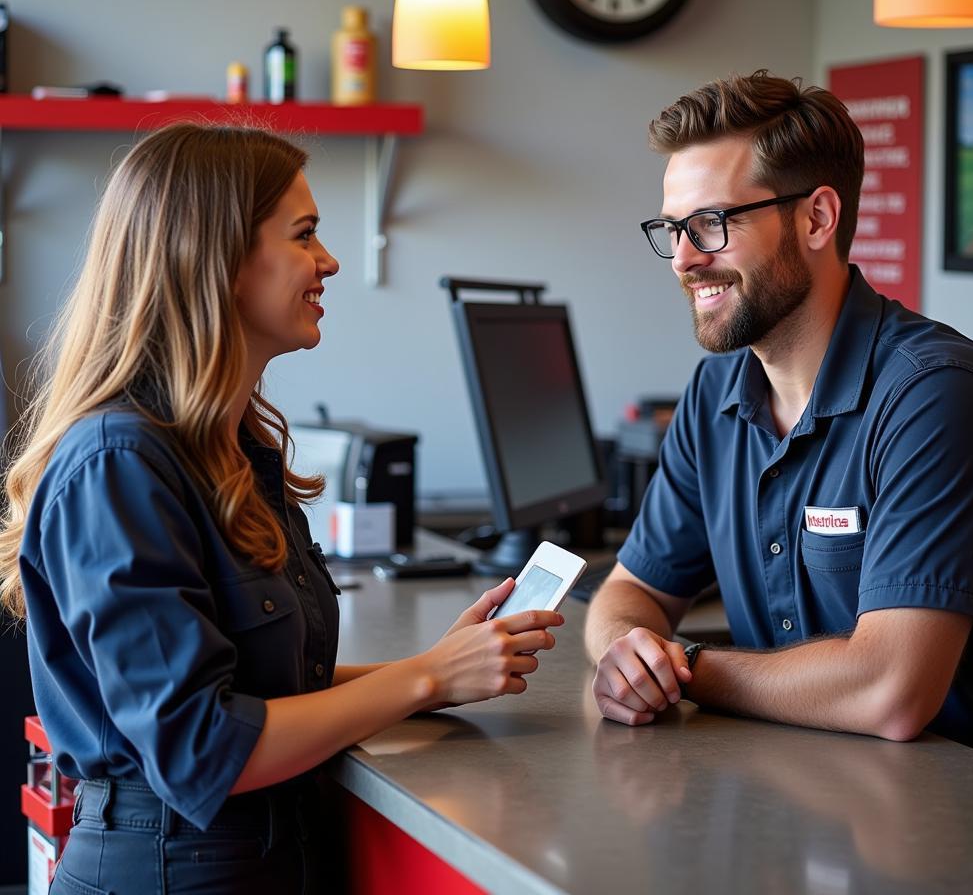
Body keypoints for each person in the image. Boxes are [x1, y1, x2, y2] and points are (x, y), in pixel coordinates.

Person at [0, 122, 563, 894]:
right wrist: (425, 680)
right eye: (305, 236)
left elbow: (272, 691)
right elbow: (203, 747)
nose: (328, 261)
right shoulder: (118, 465)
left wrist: (437, 669)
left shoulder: (232, 447)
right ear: (220, 262)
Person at [585, 70, 973, 758]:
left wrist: (685, 669)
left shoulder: (936, 396)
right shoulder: (714, 395)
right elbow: (629, 591)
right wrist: (627, 653)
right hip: (784, 800)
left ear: (817, 218)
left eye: (711, 224)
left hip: (944, 834)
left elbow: (892, 690)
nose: (683, 259)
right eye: (673, 229)